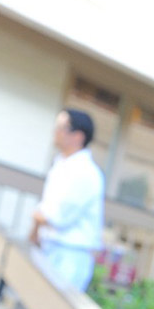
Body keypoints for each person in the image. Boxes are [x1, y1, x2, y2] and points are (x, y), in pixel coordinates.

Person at [30, 108, 105, 292]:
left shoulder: (86, 172)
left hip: (70, 255)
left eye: (61, 127)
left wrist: (37, 219)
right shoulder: (62, 164)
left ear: (78, 136)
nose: (56, 132)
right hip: (51, 248)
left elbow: (59, 216)